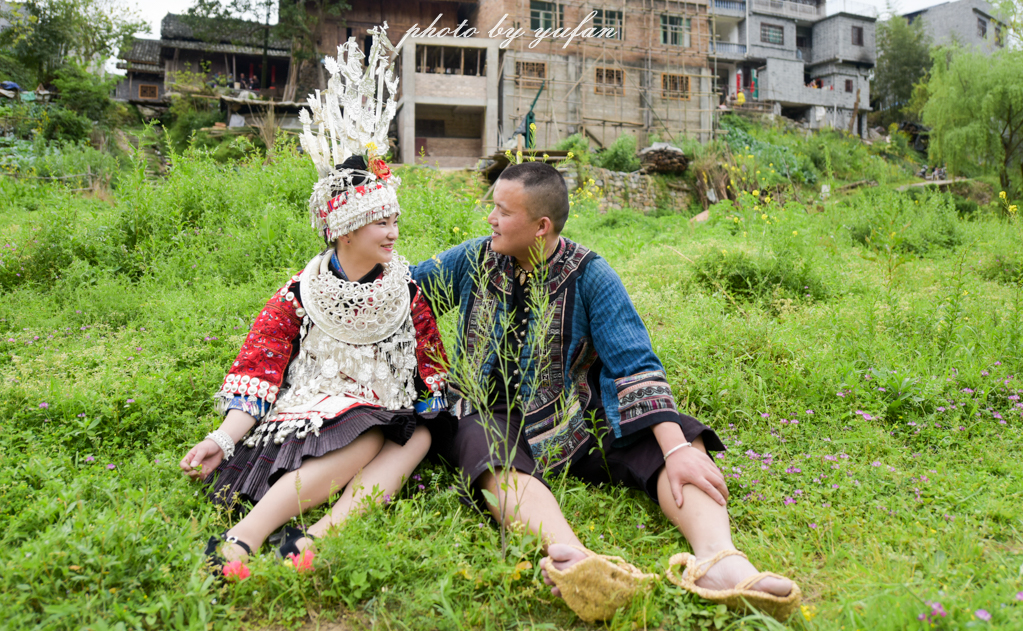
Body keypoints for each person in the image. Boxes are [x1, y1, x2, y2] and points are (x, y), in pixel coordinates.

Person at [412, 161, 800, 621]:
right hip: (488, 412)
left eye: (502, 211)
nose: (490, 219)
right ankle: (574, 560)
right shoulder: (472, 259)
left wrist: (675, 449)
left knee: (679, 436)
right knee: (484, 447)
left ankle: (721, 560)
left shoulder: (592, 275)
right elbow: (402, 292)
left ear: (541, 227)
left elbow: (635, 361)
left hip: (574, 418)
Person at [179, 26, 449, 568]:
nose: (393, 233)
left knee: (414, 435)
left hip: (384, 413)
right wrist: (225, 439)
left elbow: (429, 364)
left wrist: (436, 406)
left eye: (395, 219)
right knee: (371, 431)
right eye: (379, 222)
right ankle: (244, 537)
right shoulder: (301, 294)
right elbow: (259, 372)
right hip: (314, 420)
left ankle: (318, 536)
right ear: (344, 231)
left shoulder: (405, 290)